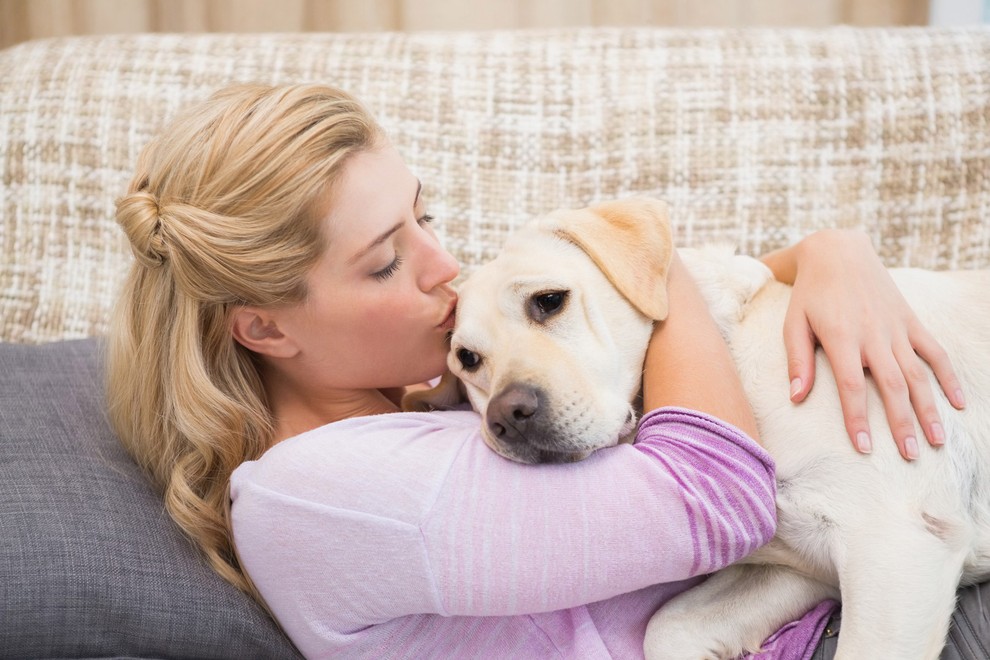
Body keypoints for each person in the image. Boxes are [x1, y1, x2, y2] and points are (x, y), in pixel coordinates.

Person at [107, 83, 966, 659]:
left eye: (425, 218)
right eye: (383, 264)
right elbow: (720, 490)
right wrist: (645, 254)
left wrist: (824, 255)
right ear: (262, 327)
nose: (445, 266)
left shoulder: (436, 407)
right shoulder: (318, 495)